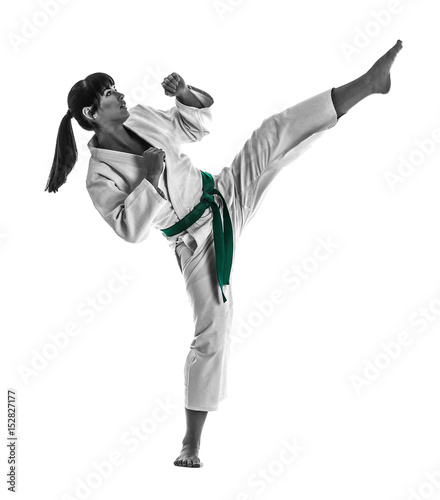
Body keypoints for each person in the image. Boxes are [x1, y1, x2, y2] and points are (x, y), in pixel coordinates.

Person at [45, 39, 403, 467]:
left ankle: (368, 82)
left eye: (115, 88)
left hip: (222, 193)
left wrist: (184, 93)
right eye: (109, 94)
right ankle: (191, 442)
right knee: (212, 327)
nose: (120, 95)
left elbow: (194, 126)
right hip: (194, 244)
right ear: (91, 115)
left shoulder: (140, 115)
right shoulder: (98, 174)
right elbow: (129, 229)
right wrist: (151, 179)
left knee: (274, 132)